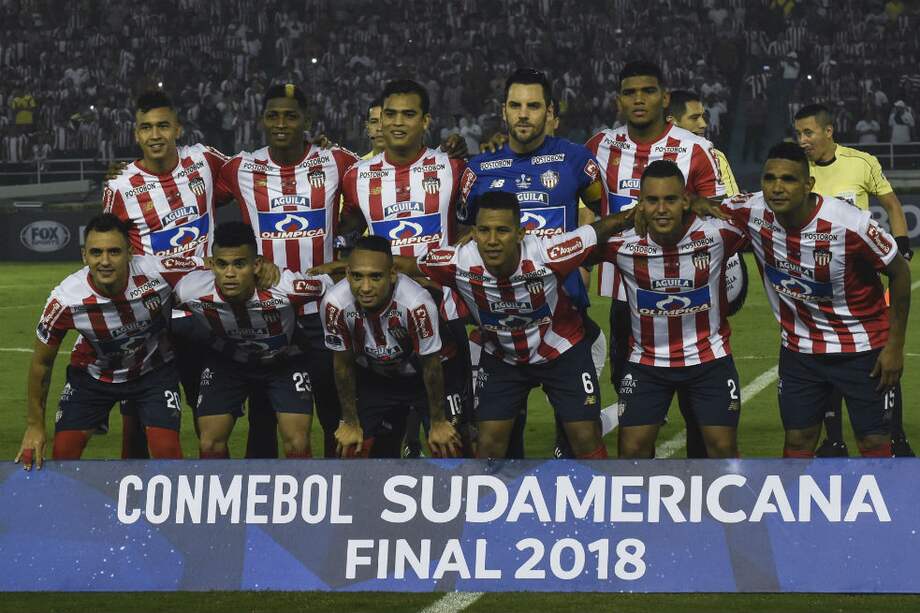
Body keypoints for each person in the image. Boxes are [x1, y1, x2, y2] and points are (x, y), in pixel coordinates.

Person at [399, 191, 635, 458]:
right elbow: (403, 265)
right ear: (474, 233)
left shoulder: (548, 253)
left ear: (521, 233)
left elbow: (603, 227)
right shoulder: (458, 261)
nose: (492, 240)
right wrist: (347, 270)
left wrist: (644, 214)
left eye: (502, 231)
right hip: (503, 359)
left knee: (584, 438)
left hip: (562, 352)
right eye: (484, 231)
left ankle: (601, 496)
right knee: (488, 445)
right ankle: (490, 497)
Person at [721, 142, 911, 458]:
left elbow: (900, 272)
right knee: (797, 441)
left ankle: (883, 506)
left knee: (875, 443)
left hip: (863, 351)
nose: (777, 188)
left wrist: (894, 347)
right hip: (800, 352)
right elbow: (699, 206)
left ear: (809, 184)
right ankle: (794, 506)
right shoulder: (751, 211)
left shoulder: (850, 223)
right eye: (769, 178)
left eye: (789, 179)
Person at [459, 69, 608, 458]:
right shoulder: (478, 172)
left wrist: (584, 264)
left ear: (550, 112)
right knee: (499, 442)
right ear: (503, 112)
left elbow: (602, 214)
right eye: (516, 106)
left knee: (579, 438)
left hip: (564, 324)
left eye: (534, 106)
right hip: (501, 330)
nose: (524, 114)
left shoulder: (577, 160)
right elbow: (463, 237)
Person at [586, 61, 725, 447]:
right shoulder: (601, 146)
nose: (639, 99)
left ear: (664, 97)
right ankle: (641, 486)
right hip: (626, 292)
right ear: (619, 101)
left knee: (699, 402)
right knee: (630, 391)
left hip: (691, 290)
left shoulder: (695, 149)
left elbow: (719, 218)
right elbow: (569, 184)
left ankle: (702, 481)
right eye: (630, 92)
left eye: (647, 91)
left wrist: (695, 202)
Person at [218, 83, 359, 458]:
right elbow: (190, 184)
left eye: (291, 115)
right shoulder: (240, 167)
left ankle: (337, 489)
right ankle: (262, 503)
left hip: (321, 313)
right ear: (262, 120)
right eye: (273, 115)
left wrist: (347, 256)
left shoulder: (337, 162)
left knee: (332, 411)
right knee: (264, 415)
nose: (281, 123)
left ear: (306, 120)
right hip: (266, 314)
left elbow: (376, 197)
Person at [338, 80, 471, 458]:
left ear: (426, 120)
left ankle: (462, 515)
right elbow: (345, 227)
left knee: (454, 440)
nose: (398, 123)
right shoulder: (357, 177)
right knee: (380, 445)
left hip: (444, 315)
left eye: (409, 114)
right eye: (391, 114)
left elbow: (473, 225)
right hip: (379, 325)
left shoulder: (453, 168)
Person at [103, 90, 229, 460]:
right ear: (136, 134)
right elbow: (110, 248)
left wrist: (311, 149)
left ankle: (215, 498)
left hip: (201, 317)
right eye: (146, 128)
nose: (155, 135)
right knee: (139, 423)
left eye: (162, 126)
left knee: (211, 422)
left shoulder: (204, 160)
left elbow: (248, 171)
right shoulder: (120, 186)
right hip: (149, 322)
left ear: (178, 129)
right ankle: (130, 503)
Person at [14, 215, 198, 468]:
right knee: (63, 456)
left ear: (130, 253)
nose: (105, 261)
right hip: (93, 378)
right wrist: (35, 427)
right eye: (96, 252)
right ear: (84, 256)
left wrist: (259, 269)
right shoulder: (66, 299)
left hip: (153, 373)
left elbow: (213, 267)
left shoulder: (159, 272)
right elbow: (41, 364)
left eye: (114, 251)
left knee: (168, 452)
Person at [598, 160, 746, 458]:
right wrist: (621, 220)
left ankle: (725, 504)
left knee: (722, 449)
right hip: (647, 364)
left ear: (686, 201)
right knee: (631, 452)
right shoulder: (621, 244)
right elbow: (567, 249)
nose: (662, 209)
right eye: (652, 200)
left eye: (670, 199)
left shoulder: (718, 233)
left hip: (709, 360)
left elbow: (764, 210)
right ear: (640, 204)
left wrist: (714, 202)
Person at [793, 103, 914, 457]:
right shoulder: (797, 172)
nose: (802, 140)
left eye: (808, 133)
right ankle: (833, 440)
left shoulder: (861, 162)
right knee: (823, 355)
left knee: (880, 355)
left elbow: (891, 203)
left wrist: (901, 246)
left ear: (828, 131)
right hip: (815, 280)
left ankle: (896, 435)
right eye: (798, 133)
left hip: (861, 280)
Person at [173, 222, 331, 459]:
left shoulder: (286, 287)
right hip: (226, 364)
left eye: (239, 264)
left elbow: (329, 286)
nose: (230, 274)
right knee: (209, 443)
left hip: (283, 364)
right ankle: (222, 494)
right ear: (212, 265)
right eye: (222, 264)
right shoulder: (190, 290)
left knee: (297, 442)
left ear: (257, 264)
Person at [322, 236, 467, 459]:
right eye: (358, 277)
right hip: (378, 378)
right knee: (351, 446)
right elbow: (342, 364)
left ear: (392, 275)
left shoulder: (416, 303)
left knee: (449, 444)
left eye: (375, 277)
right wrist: (350, 421)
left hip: (430, 376)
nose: (366, 287)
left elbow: (431, 366)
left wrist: (438, 422)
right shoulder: (334, 304)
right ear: (348, 274)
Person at [665, 89, 750, 459]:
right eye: (695, 118)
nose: (704, 124)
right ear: (673, 123)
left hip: (699, 275)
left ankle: (700, 457)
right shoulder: (636, 154)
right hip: (644, 282)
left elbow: (724, 210)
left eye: (703, 117)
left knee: (701, 370)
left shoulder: (712, 155)